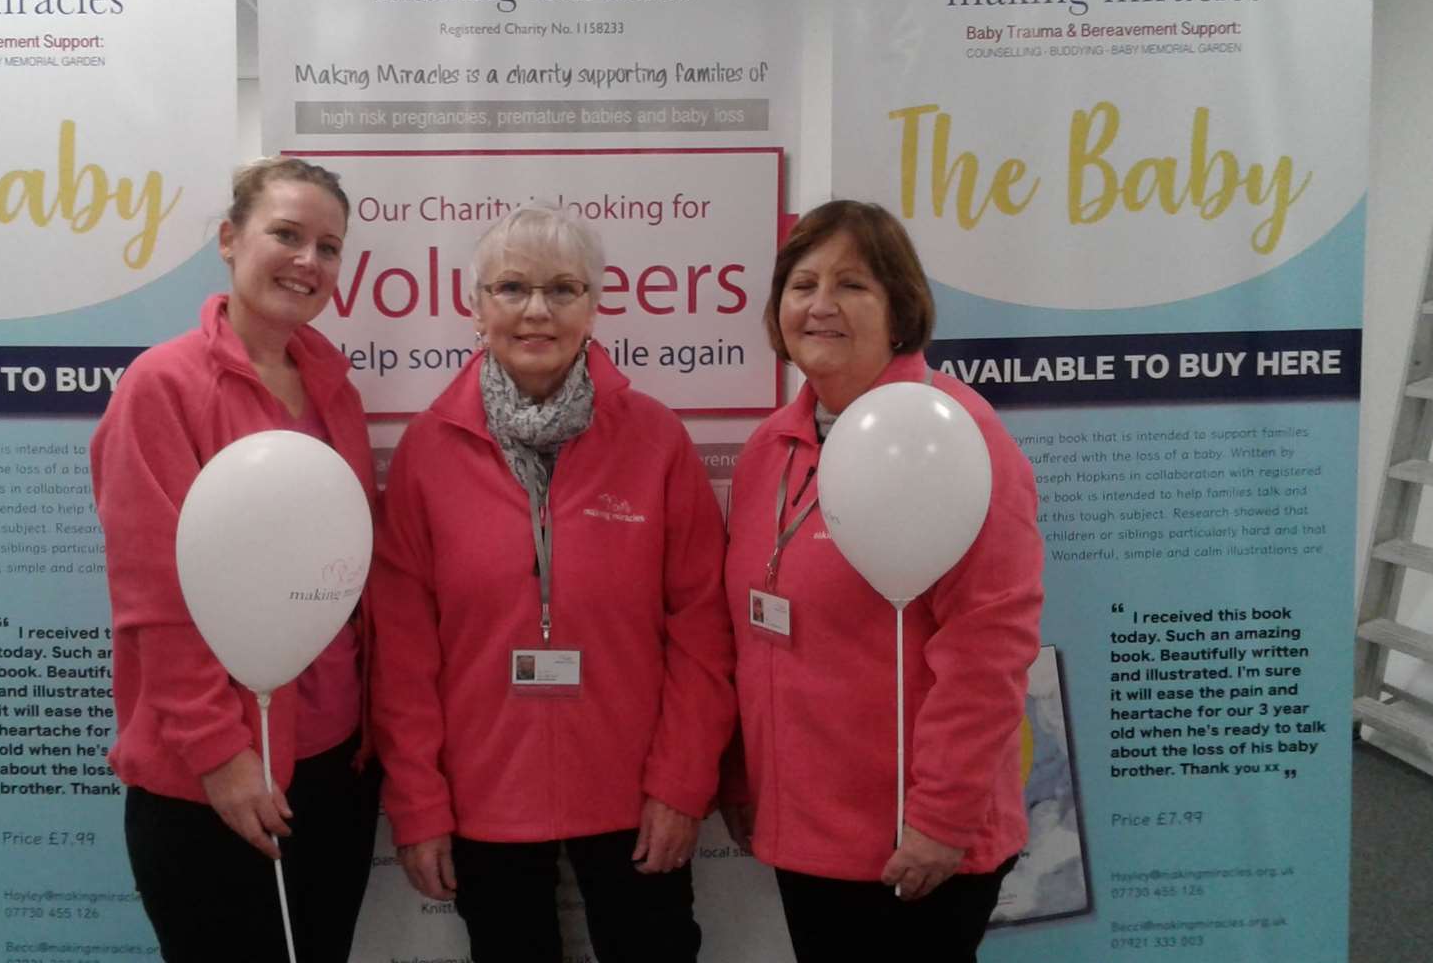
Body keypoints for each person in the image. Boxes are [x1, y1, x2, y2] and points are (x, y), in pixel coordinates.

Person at [371, 206, 734, 963]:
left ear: (594, 307)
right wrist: (418, 803)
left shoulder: (655, 439)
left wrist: (681, 783)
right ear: (476, 308)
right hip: (483, 798)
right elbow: (402, 653)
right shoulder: (426, 452)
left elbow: (702, 628)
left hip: (636, 795)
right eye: (512, 287)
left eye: (563, 289)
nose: (537, 310)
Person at [719, 200, 1044, 963]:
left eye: (853, 285)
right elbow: (752, 637)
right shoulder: (771, 449)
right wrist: (741, 776)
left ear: (901, 310)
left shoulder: (958, 439)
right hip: (807, 830)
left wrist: (941, 818)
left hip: (920, 841)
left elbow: (989, 650)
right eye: (802, 284)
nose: (820, 305)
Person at [89, 157, 381, 962]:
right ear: (228, 239)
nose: (308, 262)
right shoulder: (163, 386)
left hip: (334, 763)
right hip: (209, 781)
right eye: (286, 235)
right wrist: (222, 760)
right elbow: (155, 597)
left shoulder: (334, 392)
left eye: (328, 246)